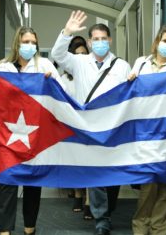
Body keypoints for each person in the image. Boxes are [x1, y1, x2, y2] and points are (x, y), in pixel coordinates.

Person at [51, 10, 131, 235]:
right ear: (89, 41)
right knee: (96, 173)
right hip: (90, 126)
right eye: (95, 39)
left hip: (114, 125)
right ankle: (101, 219)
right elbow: (58, 55)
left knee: (113, 173)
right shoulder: (79, 62)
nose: (100, 43)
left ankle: (108, 209)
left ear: (110, 40)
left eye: (104, 39)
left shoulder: (122, 65)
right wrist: (67, 32)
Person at [0, 26, 64, 235]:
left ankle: (29, 228)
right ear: (17, 43)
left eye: (33, 42)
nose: (30, 46)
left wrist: (52, 82)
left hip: (36, 134)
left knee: (33, 181)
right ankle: (5, 230)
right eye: (26, 42)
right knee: (7, 180)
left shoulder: (44, 65)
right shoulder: (3, 67)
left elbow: (60, 96)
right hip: (7, 132)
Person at [128, 25, 166, 235]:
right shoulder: (141, 63)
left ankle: (159, 229)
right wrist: (130, 80)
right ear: (157, 42)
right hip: (145, 132)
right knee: (148, 183)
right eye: (165, 40)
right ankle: (141, 226)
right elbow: (131, 94)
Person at [60, 35, 94, 220]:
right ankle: (78, 195)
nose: (81, 58)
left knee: (89, 163)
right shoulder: (64, 79)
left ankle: (89, 200)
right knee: (76, 163)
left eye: (84, 54)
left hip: (89, 123)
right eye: (77, 55)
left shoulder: (92, 74)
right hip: (71, 124)